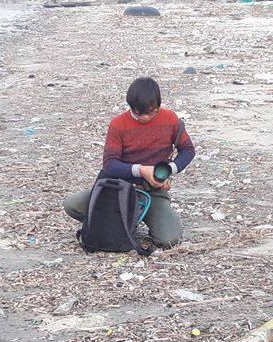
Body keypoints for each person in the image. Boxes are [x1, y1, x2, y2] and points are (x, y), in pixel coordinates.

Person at [63, 77, 195, 248]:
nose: (145, 117)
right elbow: (110, 164)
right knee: (72, 205)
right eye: (139, 113)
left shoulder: (170, 119)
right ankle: (119, 221)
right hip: (118, 190)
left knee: (169, 239)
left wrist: (169, 169)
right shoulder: (119, 124)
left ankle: (127, 220)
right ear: (131, 107)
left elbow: (188, 150)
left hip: (152, 192)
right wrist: (141, 170)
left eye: (151, 112)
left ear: (158, 106)